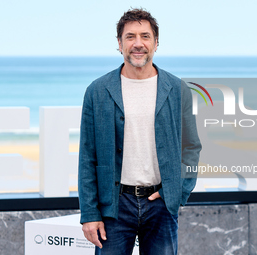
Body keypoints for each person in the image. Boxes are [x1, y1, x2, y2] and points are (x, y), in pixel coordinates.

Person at [78, 8, 201, 255]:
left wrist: (177, 193)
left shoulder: (177, 89)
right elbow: (87, 156)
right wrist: (89, 213)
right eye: (130, 36)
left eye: (145, 36)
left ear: (156, 43)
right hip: (114, 205)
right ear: (119, 43)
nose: (138, 44)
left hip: (161, 205)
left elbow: (191, 148)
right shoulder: (97, 91)